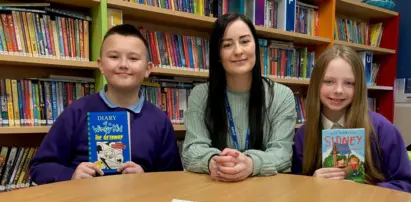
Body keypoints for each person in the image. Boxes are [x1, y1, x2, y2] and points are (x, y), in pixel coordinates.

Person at [29, 24, 183, 184]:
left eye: (133, 58)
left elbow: (172, 179)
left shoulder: (159, 121)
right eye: (114, 57)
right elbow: (40, 167)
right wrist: (71, 175)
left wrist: (146, 178)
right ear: (101, 64)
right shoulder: (77, 112)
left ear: (148, 68)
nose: (123, 64)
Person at [182, 13, 297, 182]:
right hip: (217, 187)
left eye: (244, 41)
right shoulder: (200, 95)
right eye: (227, 45)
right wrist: (214, 162)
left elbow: (282, 153)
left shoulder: (281, 95)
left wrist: (250, 164)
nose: (238, 51)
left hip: (266, 190)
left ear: (255, 46)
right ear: (218, 55)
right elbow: (192, 149)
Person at [292, 45, 411, 193]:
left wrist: (366, 191)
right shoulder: (304, 135)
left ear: (358, 87)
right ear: (316, 85)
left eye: (348, 83)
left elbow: (407, 185)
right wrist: (311, 183)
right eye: (329, 81)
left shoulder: (382, 129)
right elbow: (297, 187)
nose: (338, 90)